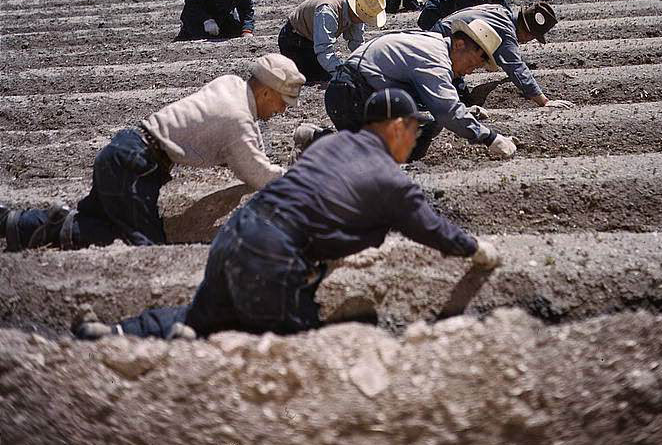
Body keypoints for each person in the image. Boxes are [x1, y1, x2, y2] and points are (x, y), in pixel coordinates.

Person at [72, 89, 500, 341]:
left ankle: (117, 336)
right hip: (273, 255)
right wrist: (477, 248)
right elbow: (431, 228)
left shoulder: (331, 145)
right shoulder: (392, 180)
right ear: (395, 128)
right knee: (295, 343)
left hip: (238, 234)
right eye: (414, 128)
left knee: (199, 319)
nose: (417, 137)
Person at [1, 55, 305, 253]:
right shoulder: (238, 120)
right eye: (281, 103)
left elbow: (235, 141)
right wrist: (296, 179)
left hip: (124, 150)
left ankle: (14, 222)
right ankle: (47, 224)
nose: (280, 111)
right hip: (135, 167)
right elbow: (257, 173)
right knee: (150, 249)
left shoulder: (231, 84)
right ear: (266, 92)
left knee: (102, 228)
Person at [321, 20, 518, 161]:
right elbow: (446, 111)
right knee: (372, 161)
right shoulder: (435, 59)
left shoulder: (433, 43)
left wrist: (465, 113)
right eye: (472, 64)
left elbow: (434, 100)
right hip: (350, 95)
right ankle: (318, 142)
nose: (469, 72)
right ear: (459, 45)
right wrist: (490, 138)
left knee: (423, 126)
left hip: (353, 91)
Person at [431, 3, 574, 109]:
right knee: (447, 99)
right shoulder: (506, 32)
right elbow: (516, 68)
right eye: (532, 37)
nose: (526, 41)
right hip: (445, 48)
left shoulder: (502, 11)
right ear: (527, 33)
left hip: (442, 37)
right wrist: (544, 101)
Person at [278, 0, 387, 82]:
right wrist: (343, 72)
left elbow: (357, 43)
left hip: (313, 40)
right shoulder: (327, 12)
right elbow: (324, 50)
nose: (364, 21)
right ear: (356, 12)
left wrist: (367, 65)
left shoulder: (359, 5)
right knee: (324, 77)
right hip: (295, 42)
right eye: (363, 18)